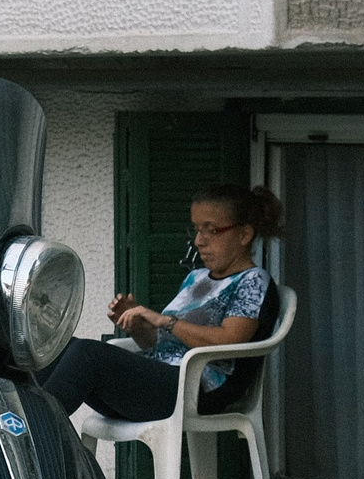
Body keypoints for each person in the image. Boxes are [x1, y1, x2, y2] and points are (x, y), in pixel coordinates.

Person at [41, 180, 284, 424]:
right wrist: (138, 328)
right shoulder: (196, 277)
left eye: (211, 230)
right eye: (197, 229)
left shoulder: (253, 281)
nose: (199, 240)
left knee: (87, 354)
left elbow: (230, 339)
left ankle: (36, 430)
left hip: (200, 389)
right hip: (160, 382)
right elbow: (161, 344)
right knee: (59, 347)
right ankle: (27, 423)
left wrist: (166, 321)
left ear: (244, 235)